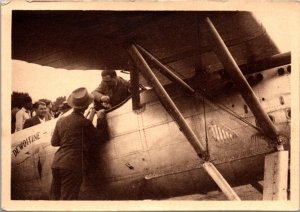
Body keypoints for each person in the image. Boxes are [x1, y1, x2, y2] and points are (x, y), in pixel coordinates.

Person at [49, 87, 108, 200]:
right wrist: (100, 119)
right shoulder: (84, 122)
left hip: (57, 163)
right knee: (68, 200)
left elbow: (54, 142)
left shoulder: (61, 120)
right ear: (86, 106)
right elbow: (100, 138)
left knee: (54, 199)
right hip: (73, 165)